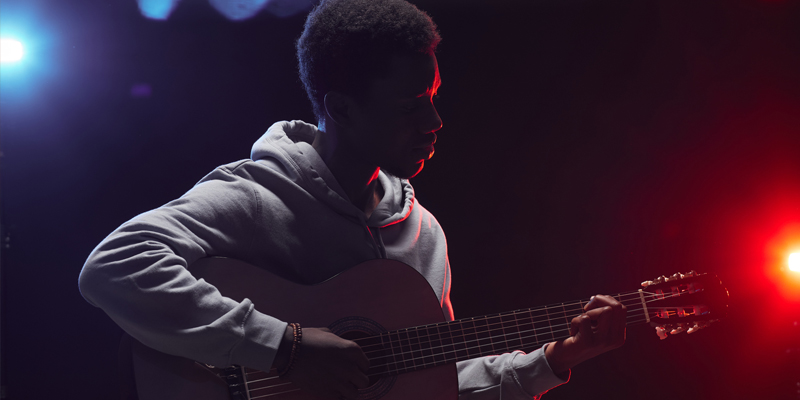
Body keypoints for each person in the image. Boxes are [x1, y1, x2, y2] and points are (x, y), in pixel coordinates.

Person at [78, 0, 627, 399]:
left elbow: (430, 384)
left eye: (432, 99)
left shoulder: (423, 233)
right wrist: (283, 347)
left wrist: (554, 360)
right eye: (410, 105)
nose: (434, 123)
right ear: (340, 107)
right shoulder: (255, 195)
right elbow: (113, 267)